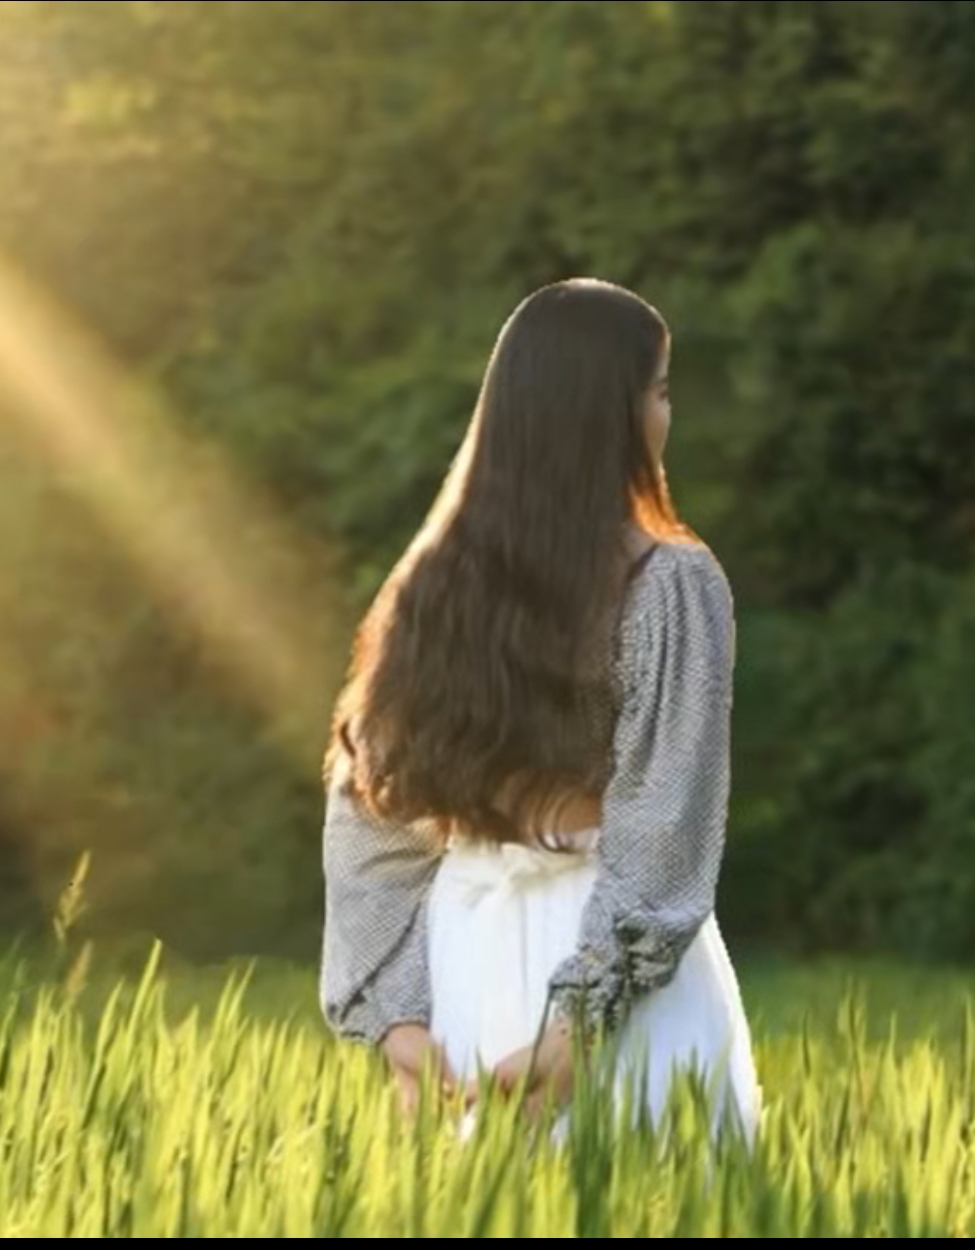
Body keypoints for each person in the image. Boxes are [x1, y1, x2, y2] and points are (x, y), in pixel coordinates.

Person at [317, 277, 761, 1144]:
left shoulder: (428, 587)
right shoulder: (671, 583)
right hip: (610, 970)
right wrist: (579, 1020)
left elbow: (368, 813)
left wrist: (400, 1019)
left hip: (462, 957)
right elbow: (663, 823)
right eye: (661, 391)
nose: (668, 416)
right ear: (617, 413)